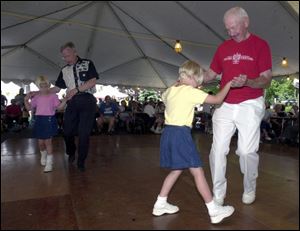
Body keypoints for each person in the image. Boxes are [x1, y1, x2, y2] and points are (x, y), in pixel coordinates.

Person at [203, 7, 272, 206]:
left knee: (246, 151)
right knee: (217, 150)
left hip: (250, 102)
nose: (231, 32)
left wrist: (248, 82)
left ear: (245, 22)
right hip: (224, 102)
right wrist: (191, 78)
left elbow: (266, 80)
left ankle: (250, 187)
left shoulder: (260, 45)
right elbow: (210, 75)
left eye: (234, 27)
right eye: (227, 29)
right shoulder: (223, 48)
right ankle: (218, 192)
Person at [152, 60, 234, 224]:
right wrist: (229, 84)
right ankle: (214, 210)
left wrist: (180, 82)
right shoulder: (190, 91)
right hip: (180, 134)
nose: (199, 84)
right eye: (198, 80)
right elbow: (217, 99)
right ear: (191, 77)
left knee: (176, 170)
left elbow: (167, 93)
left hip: (168, 133)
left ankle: (160, 204)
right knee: (197, 172)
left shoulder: (169, 91)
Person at [40, 42, 99, 172]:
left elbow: (92, 81)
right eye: (64, 57)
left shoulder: (87, 63)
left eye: (67, 55)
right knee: (67, 131)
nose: (66, 58)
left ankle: (81, 161)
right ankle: (71, 151)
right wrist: (39, 92)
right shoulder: (64, 70)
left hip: (87, 100)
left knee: (84, 134)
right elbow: (57, 88)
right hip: (71, 102)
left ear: (75, 52)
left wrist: (76, 90)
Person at [24, 76, 67, 172]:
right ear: (38, 86)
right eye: (42, 86)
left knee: (48, 142)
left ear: (49, 85)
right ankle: (43, 155)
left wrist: (64, 101)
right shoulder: (36, 97)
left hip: (49, 119)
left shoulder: (53, 96)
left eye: (46, 85)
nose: (44, 88)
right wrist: (25, 100)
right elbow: (29, 108)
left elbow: (59, 108)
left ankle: (49, 163)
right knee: (40, 143)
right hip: (39, 120)